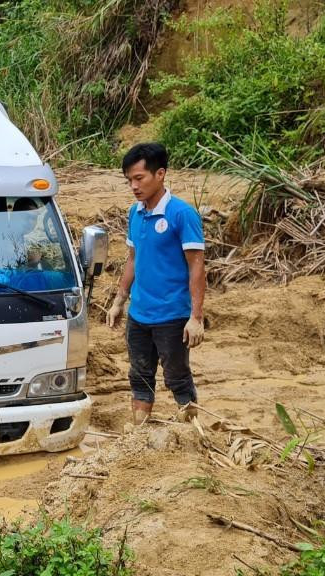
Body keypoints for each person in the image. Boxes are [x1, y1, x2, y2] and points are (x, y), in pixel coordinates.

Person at [106, 142, 206, 424]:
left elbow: (197, 267)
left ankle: (190, 429)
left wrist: (196, 317)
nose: (134, 186)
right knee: (139, 375)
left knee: (177, 376)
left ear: (160, 174)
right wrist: (118, 302)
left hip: (172, 316)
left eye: (139, 178)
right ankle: (138, 434)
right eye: (129, 180)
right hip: (140, 315)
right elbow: (133, 260)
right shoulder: (134, 213)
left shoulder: (182, 214)